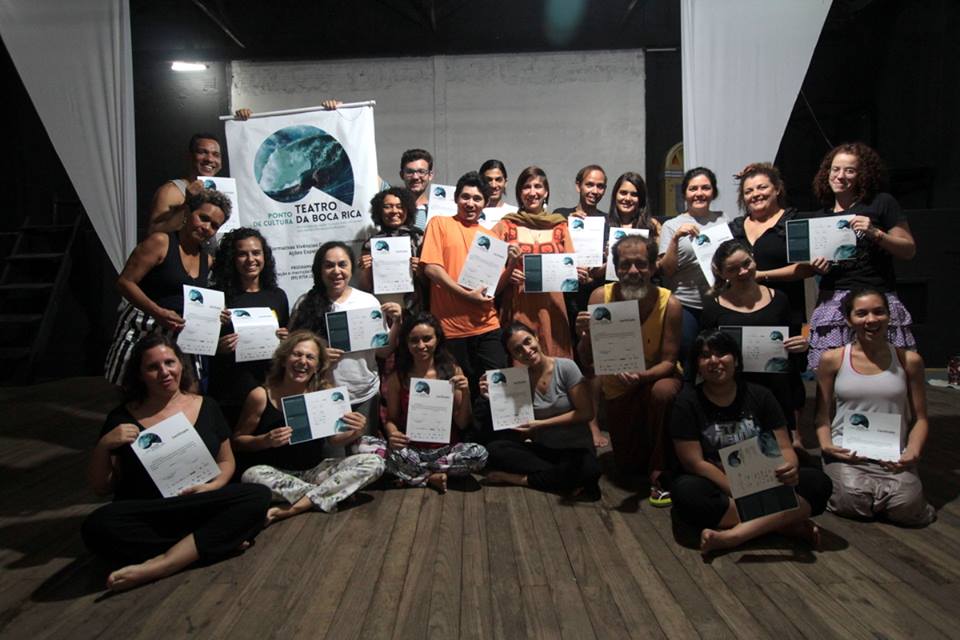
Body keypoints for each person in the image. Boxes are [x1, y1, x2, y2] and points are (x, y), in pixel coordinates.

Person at [82, 333, 271, 592]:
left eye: (170, 363)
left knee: (257, 496)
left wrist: (214, 486)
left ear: (181, 364)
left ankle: (164, 563)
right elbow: (102, 487)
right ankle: (209, 543)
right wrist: (104, 445)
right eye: (153, 367)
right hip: (151, 510)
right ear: (139, 375)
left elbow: (226, 460)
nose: (164, 372)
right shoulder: (121, 418)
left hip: (199, 501)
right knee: (97, 526)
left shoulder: (207, 405)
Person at [670, 330, 832, 554]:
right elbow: (694, 463)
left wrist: (790, 469)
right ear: (697, 365)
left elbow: (784, 447)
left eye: (722, 353)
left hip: (767, 480)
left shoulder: (761, 395)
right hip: (720, 484)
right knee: (686, 493)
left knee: (818, 483)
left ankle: (733, 536)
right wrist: (737, 488)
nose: (714, 360)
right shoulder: (686, 402)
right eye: (705, 356)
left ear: (736, 360)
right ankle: (782, 523)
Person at [233, 331, 385, 522]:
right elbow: (237, 441)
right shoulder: (261, 395)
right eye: (297, 354)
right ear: (283, 359)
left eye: (310, 357)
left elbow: (334, 440)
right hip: (276, 474)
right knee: (251, 475)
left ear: (318, 366)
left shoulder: (324, 391)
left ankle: (297, 506)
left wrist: (356, 430)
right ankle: (331, 494)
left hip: (315, 471)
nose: (302, 361)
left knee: (375, 462)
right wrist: (265, 440)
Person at [814, 288, 935, 525]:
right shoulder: (832, 359)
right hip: (846, 454)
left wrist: (912, 451)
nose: (871, 319)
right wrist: (827, 445)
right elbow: (821, 417)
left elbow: (921, 418)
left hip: (892, 456)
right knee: (851, 499)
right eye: (862, 313)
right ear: (849, 320)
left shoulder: (909, 361)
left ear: (889, 316)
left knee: (907, 508)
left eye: (879, 312)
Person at [576, 234, 682, 503]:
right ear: (615, 268)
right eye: (625, 265)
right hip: (617, 387)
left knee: (663, 392)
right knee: (627, 467)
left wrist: (641, 377)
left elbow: (669, 362)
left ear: (653, 267)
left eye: (641, 264)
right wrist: (584, 336)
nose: (633, 271)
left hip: (654, 380)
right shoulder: (601, 296)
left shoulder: (670, 304)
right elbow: (588, 362)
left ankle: (661, 470)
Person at [807, 143, 917, 370]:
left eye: (849, 170)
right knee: (832, 374)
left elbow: (908, 250)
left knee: (887, 370)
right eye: (835, 169)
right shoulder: (821, 216)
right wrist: (818, 267)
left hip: (874, 298)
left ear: (863, 175)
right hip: (833, 303)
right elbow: (818, 266)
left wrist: (876, 233)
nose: (840, 176)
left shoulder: (881, 203)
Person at [104, 187, 230, 385]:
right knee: (130, 392)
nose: (207, 227)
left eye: (214, 225)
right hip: (141, 332)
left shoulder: (206, 260)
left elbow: (195, 301)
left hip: (178, 341)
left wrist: (215, 314)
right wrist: (158, 312)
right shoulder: (161, 242)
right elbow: (124, 282)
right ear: (188, 212)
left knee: (179, 395)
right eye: (203, 218)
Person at [355, 313, 487, 492]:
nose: (421, 346)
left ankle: (413, 473)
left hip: (446, 450)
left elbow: (462, 423)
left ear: (437, 339)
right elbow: (391, 419)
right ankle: (430, 477)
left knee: (479, 454)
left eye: (427, 339)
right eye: (414, 340)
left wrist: (466, 392)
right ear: (406, 343)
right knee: (361, 446)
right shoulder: (398, 377)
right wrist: (393, 434)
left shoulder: (452, 371)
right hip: (410, 449)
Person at [288, 241, 402, 441]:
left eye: (342, 264)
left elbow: (383, 352)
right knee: (332, 454)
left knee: (365, 452)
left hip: (365, 393)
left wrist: (398, 323)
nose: (336, 271)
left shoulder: (368, 302)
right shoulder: (305, 304)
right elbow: (291, 355)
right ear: (319, 270)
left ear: (351, 268)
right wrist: (320, 355)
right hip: (323, 395)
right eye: (329, 265)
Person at [700, 239, 809, 438]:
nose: (743, 272)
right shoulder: (712, 308)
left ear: (754, 259)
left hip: (776, 388)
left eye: (746, 264)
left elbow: (792, 351)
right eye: (733, 269)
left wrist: (800, 346)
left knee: (781, 449)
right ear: (721, 273)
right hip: (734, 392)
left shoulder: (780, 299)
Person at [482, 323, 601, 497]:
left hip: (576, 449)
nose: (526, 351)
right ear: (513, 356)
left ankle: (519, 479)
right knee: (494, 449)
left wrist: (541, 424)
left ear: (536, 337)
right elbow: (520, 425)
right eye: (518, 350)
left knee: (588, 468)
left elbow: (586, 413)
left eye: (527, 341)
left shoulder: (566, 367)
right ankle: (564, 479)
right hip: (545, 449)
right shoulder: (518, 380)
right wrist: (492, 396)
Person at [420, 171, 508, 401]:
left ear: (485, 203)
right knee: (459, 396)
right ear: (456, 198)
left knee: (497, 393)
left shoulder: (491, 237)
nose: (471, 203)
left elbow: (495, 288)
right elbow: (431, 269)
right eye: (465, 197)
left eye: (477, 199)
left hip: (487, 325)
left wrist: (512, 264)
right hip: (450, 328)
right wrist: (466, 296)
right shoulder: (439, 224)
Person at [492, 165, 586, 359]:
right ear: (519, 193)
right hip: (518, 303)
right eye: (526, 187)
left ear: (546, 192)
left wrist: (576, 272)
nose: (532, 192)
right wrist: (507, 273)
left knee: (554, 358)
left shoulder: (560, 226)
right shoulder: (506, 225)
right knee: (521, 360)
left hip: (552, 306)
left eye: (538, 186)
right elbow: (487, 268)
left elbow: (572, 265)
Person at [208, 228, 290, 425]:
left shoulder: (277, 295)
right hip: (229, 392)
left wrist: (286, 340)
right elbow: (198, 347)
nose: (250, 259)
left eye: (256, 253)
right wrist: (217, 348)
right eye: (242, 254)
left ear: (264, 256)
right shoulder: (216, 296)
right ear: (232, 259)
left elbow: (287, 344)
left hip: (269, 390)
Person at [729, 162, 826, 327]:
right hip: (742, 310)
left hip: (785, 310)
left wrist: (762, 275)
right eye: (748, 191)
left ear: (777, 189)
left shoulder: (795, 222)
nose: (756, 194)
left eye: (762, 187)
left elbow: (807, 268)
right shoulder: (734, 228)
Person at [658, 166, 728, 380]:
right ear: (684, 193)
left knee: (717, 361)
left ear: (713, 192)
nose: (699, 193)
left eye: (705, 188)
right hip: (685, 304)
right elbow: (667, 270)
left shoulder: (724, 220)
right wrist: (676, 238)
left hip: (719, 303)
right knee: (688, 361)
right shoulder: (672, 225)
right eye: (693, 188)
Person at [357, 186, 425, 313]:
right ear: (379, 211)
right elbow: (365, 288)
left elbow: (431, 283)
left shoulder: (419, 238)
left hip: (416, 309)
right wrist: (364, 270)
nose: (394, 211)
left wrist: (421, 271)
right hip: (384, 308)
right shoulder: (371, 244)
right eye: (387, 206)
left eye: (400, 206)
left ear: (408, 209)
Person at [399, 148, 435, 231]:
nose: (415, 177)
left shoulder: (438, 210)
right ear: (402, 175)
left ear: (430, 175)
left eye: (421, 172)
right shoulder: (393, 206)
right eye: (409, 172)